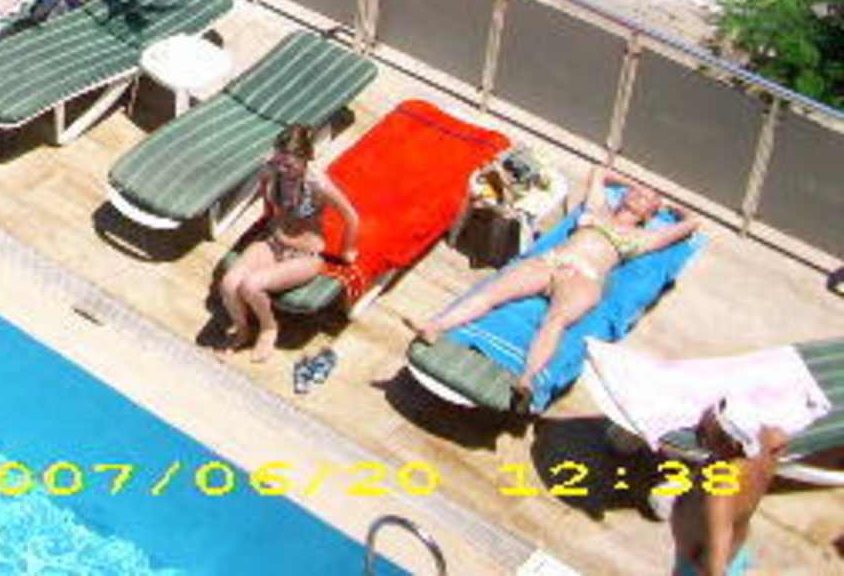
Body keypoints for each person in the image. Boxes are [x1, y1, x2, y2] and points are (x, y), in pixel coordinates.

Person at [404, 166, 698, 415]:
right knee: (491, 294)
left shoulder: (642, 238)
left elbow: (693, 224)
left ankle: (527, 380)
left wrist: (673, 209)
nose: (639, 195)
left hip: (585, 278)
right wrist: (634, 185)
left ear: (649, 214)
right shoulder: (597, 209)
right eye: (636, 192)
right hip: (551, 261)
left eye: (646, 199)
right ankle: (433, 327)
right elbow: (599, 173)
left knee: (555, 322)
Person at [215, 125, 361, 362]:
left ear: (306, 159)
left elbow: (351, 217)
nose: (283, 169)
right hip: (273, 243)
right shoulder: (271, 171)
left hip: (305, 257)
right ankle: (242, 330)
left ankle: (268, 328)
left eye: (289, 165)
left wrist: (347, 251)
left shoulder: (318, 185)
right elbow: (268, 201)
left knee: (251, 286)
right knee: (229, 284)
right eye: (279, 162)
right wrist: (269, 219)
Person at [669, 403, 788, 576]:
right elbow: (781, 439)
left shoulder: (720, 492)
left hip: (698, 569)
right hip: (735, 552)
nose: (704, 420)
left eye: (712, 420)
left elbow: (716, 568)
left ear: (728, 443)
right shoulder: (767, 444)